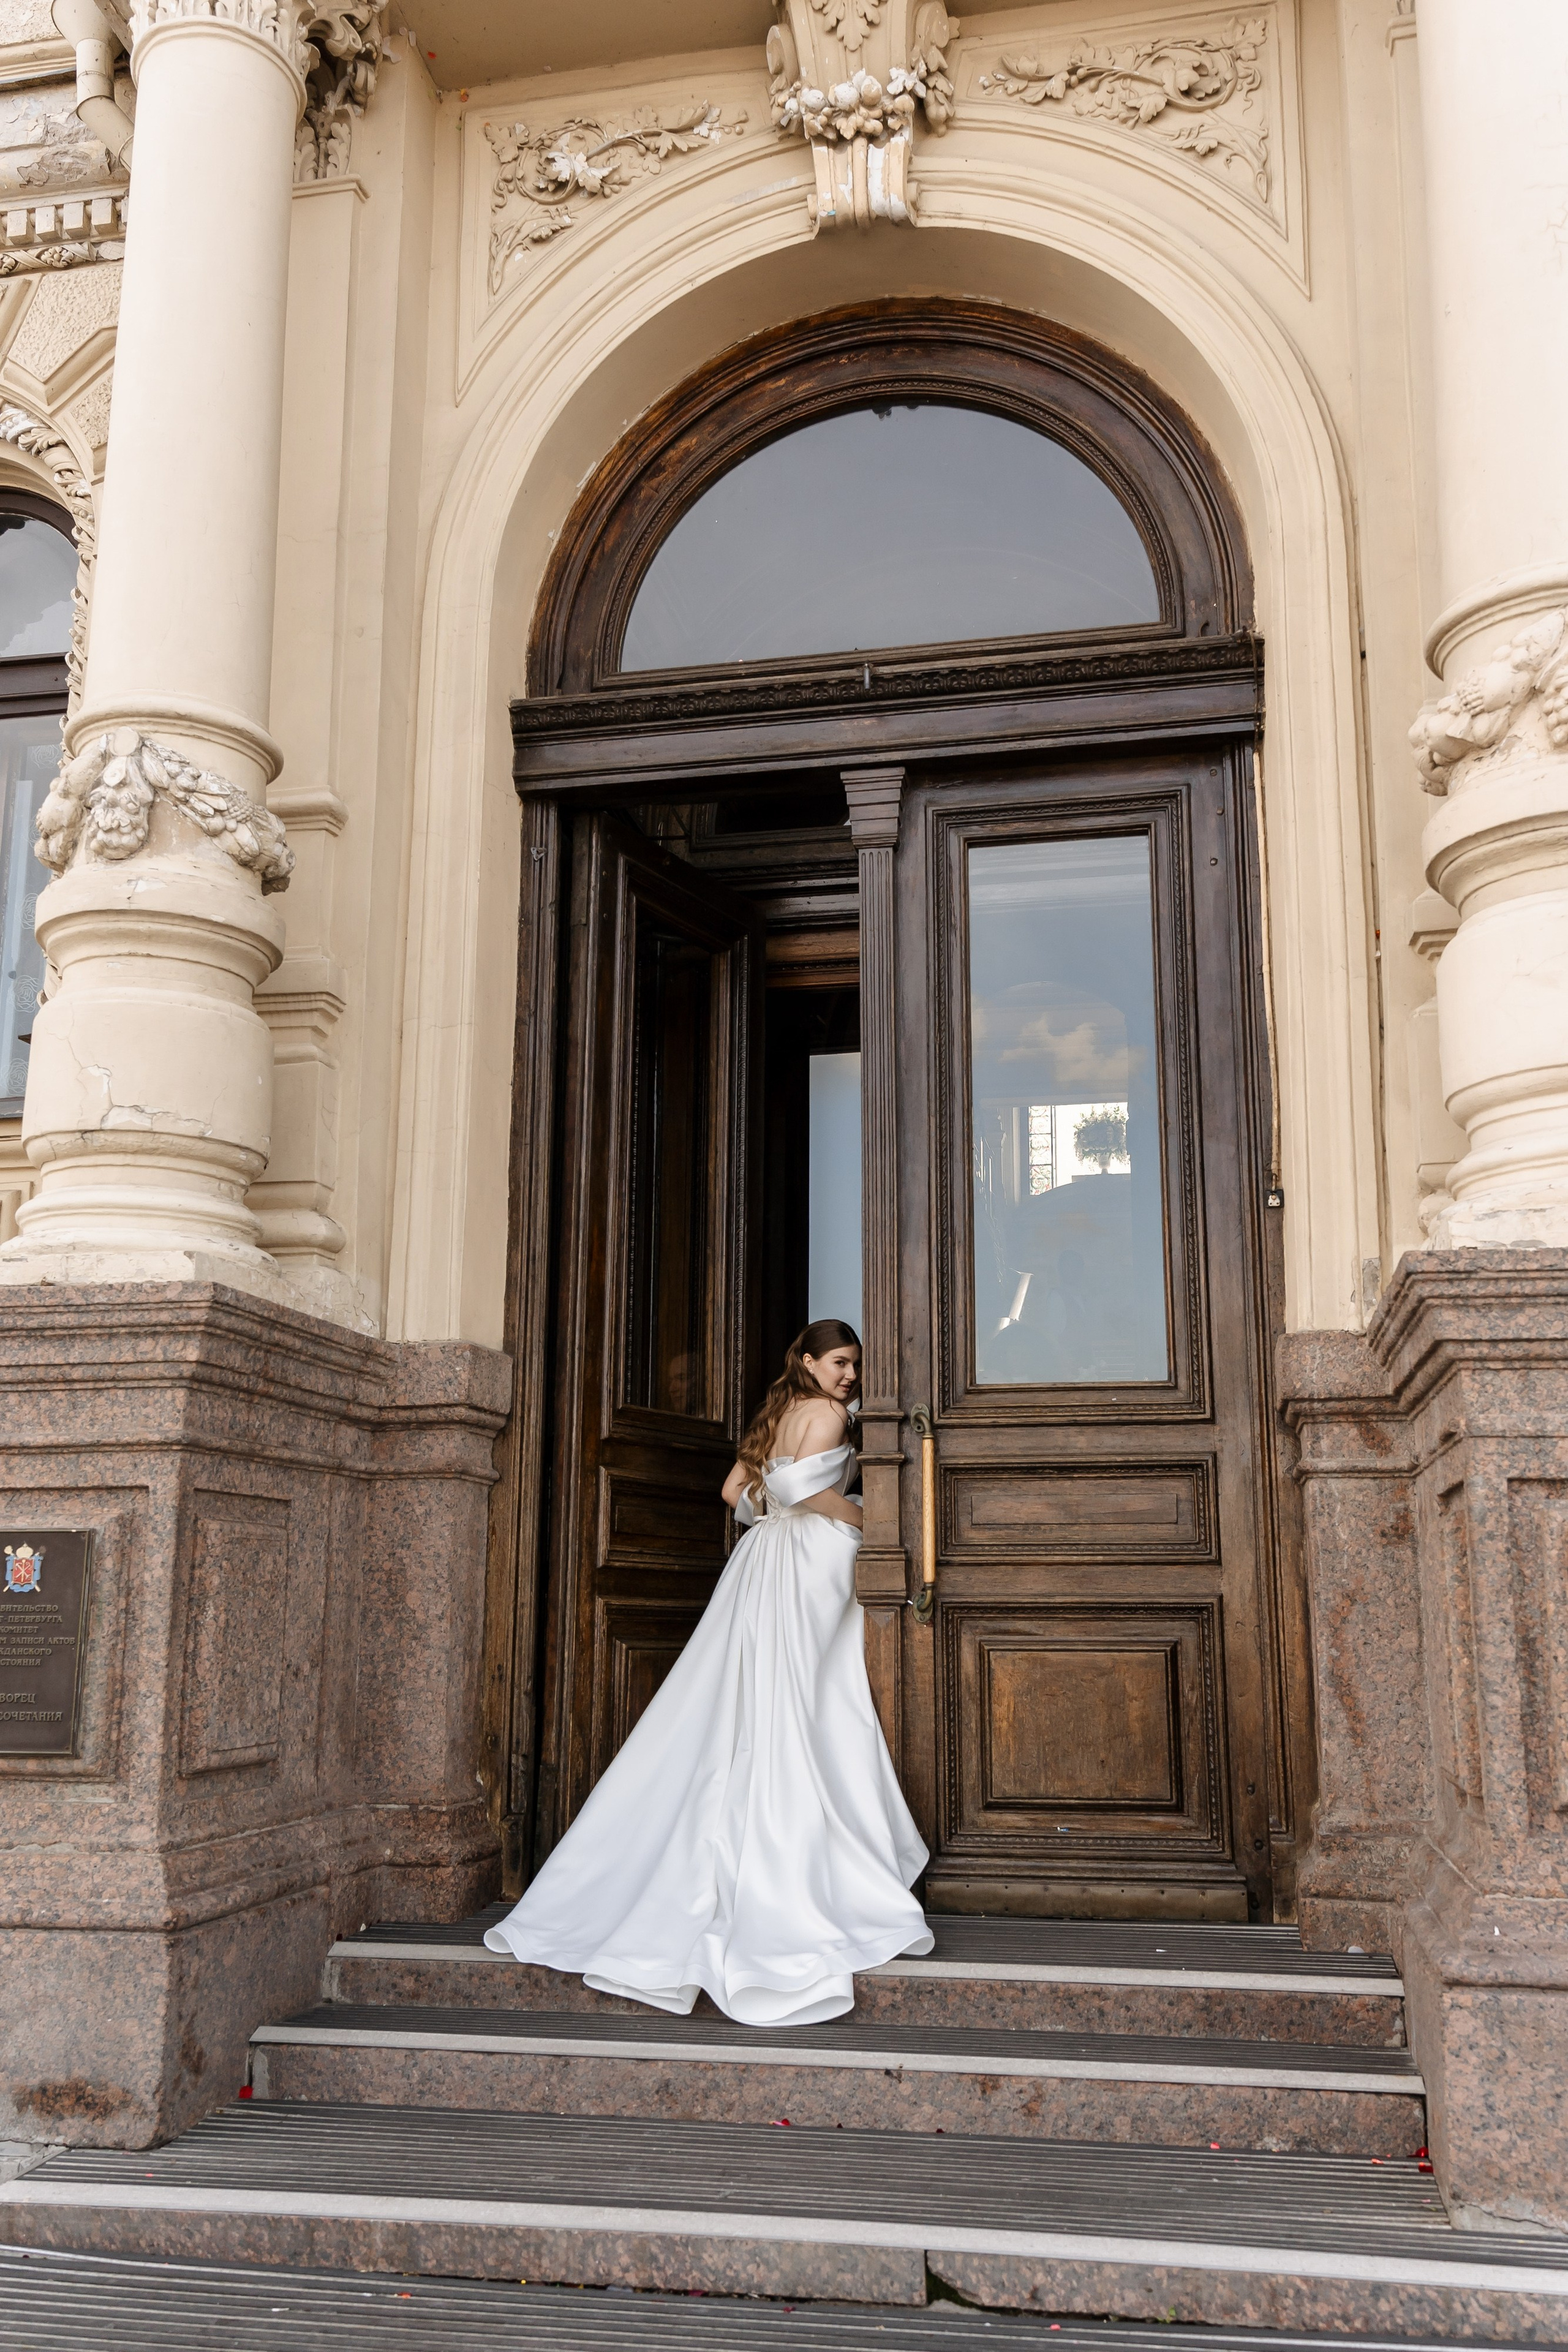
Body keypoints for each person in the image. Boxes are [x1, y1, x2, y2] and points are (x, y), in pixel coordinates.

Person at [483, 1317, 933, 2022]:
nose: (850, 1376)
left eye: (854, 1366)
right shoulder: (829, 1413)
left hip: (762, 1564)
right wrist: (866, 1519)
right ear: (809, 1361)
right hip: (810, 1562)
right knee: (808, 1703)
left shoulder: (780, 1412)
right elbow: (794, 1491)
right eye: (840, 1362)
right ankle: (809, 1861)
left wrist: (799, 1501)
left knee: (760, 1700)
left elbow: (737, 1495)